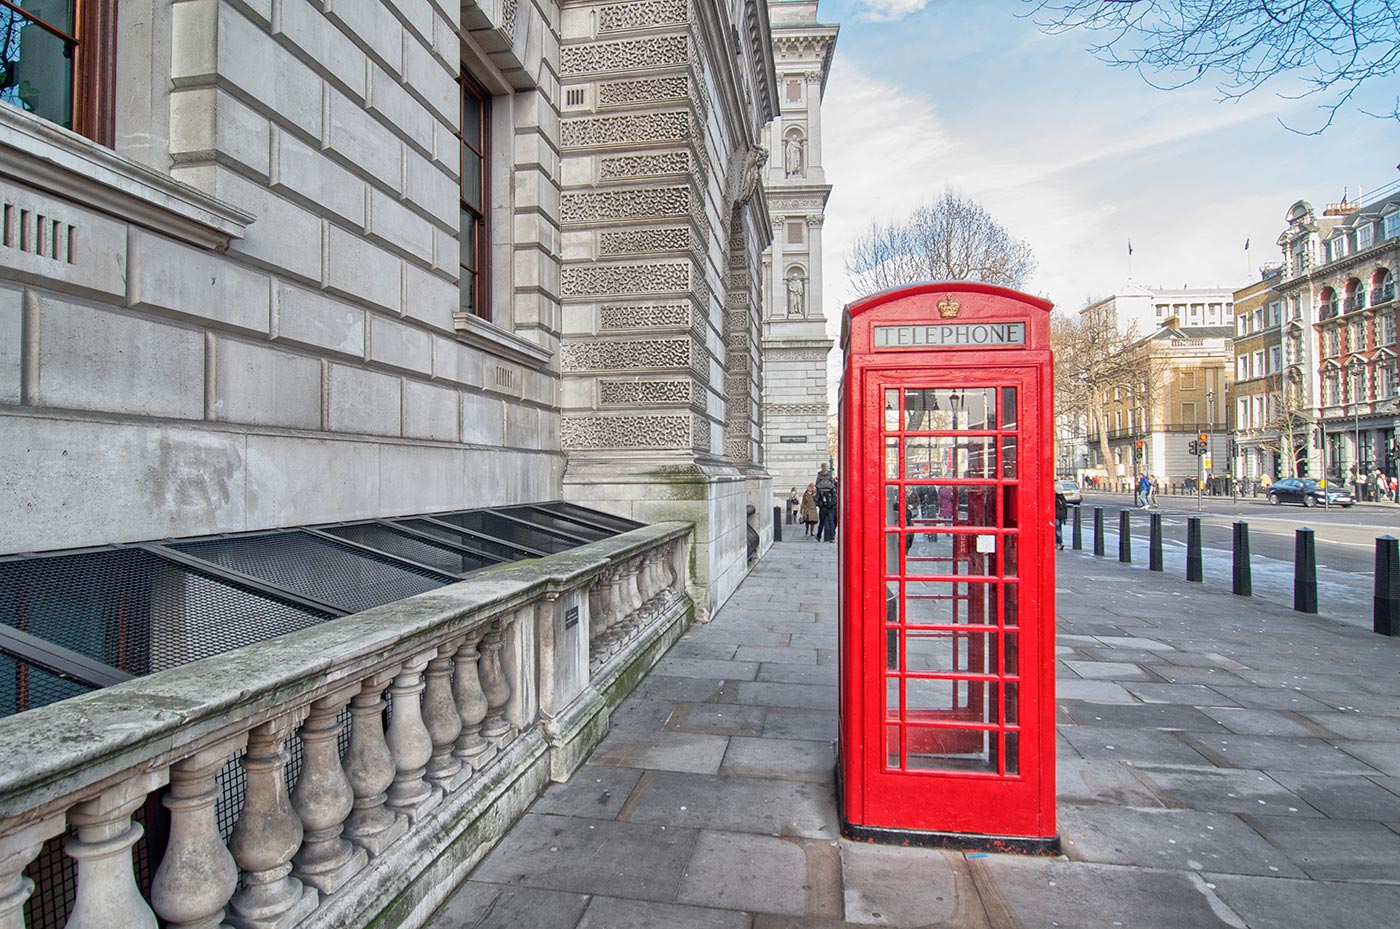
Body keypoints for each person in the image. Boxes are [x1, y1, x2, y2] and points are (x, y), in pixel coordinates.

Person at [815, 465, 838, 542]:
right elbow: (834, 488)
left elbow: (816, 487)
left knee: (821, 522)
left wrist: (817, 502)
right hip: (830, 506)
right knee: (831, 522)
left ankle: (818, 536)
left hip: (823, 506)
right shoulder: (830, 475)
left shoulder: (819, 475)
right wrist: (833, 503)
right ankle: (832, 537)